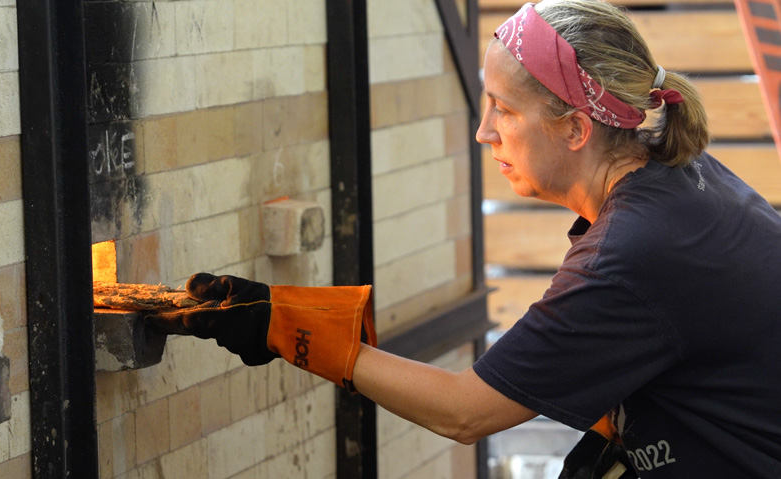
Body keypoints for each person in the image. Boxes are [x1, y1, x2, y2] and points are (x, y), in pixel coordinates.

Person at [148, 0, 781, 477]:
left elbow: (466, 412)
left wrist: (285, 327)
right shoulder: (676, 174)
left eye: (504, 109)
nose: (484, 131)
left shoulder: (634, 249)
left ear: (575, 129)